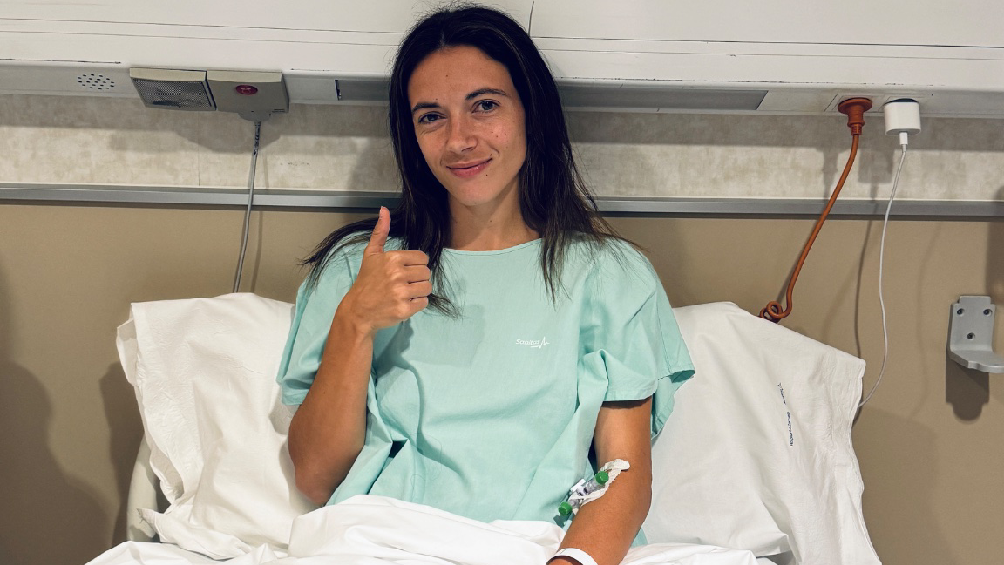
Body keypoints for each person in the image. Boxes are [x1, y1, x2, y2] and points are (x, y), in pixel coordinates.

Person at [275, 5, 694, 565]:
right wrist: (356, 323)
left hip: (545, 546)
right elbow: (316, 477)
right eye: (431, 117)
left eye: (485, 106)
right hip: (383, 541)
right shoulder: (361, 268)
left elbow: (624, 473)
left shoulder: (609, 276)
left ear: (531, 114)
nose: (459, 140)